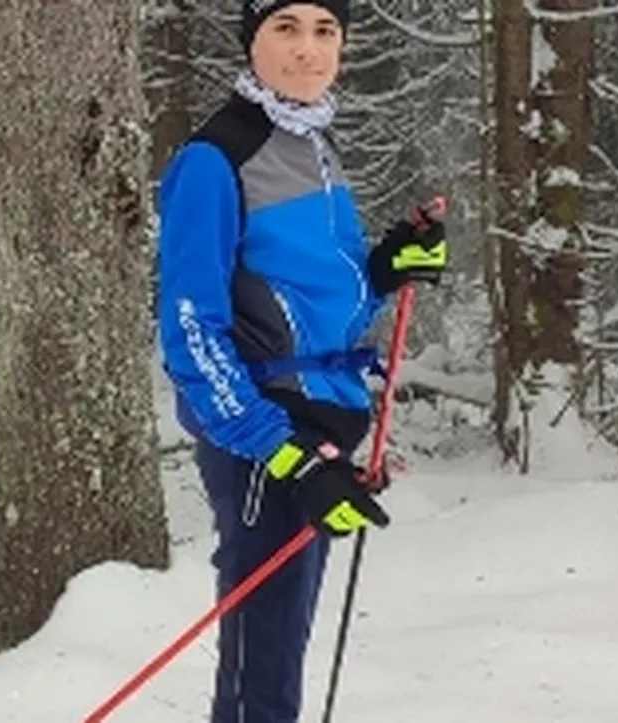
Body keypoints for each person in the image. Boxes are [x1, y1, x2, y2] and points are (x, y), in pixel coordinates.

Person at [155, 1, 448, 721]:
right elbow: (192, 327)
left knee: (280, 648)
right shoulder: (215, 158)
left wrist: (384, 268)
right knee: (264, 661)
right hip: (267, 432)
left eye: (326, 31)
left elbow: (300, 299)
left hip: (320, 420)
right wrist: (285, 453)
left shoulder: (311, 144)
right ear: (249, 38)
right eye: (285, 28)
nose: (308, 51)